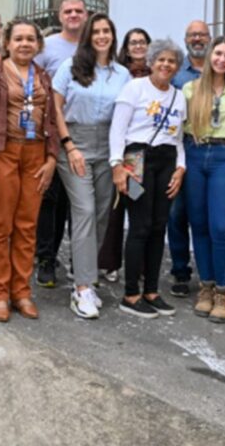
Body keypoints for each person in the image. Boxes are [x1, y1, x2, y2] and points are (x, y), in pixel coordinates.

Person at [0, 18, 59, 322]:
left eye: (30, 39)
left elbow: (53, 120)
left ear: (38, 45)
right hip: (2, 152)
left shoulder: (44, 77)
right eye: (18, 39)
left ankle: (21, 292)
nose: (24, 44)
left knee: (27, 226)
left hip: (35, 154)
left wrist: (51, 159)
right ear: (6, 43)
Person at [53, 14, 130, 318]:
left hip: (108, 146)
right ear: (88, 36)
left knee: (100, 214)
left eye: (106, 31)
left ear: (113, 35)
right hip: (76, 144)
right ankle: (83, 288)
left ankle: (83, 272)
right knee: (83, 210)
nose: (101, 36)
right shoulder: (70, 67)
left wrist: (119, 158)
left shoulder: (122, 74)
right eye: (96, 31)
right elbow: (55, 107)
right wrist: (68, 145)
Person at [109, 38, 187, 319]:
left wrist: (180, 169)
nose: (166, 65)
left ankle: (152, 291)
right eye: (161, 60)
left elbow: (177, 139)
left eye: (172, 61)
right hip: (136, 160)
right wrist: (117, 165)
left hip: (166, 161)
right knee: (139, 225)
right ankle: (131, 294)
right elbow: (118, 130)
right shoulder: (134, 89)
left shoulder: (179, 97)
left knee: (158, 226)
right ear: (151, 62)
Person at [183, 36, 225, 323]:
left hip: (224, 156)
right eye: (218, 53)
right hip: (195, 152)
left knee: (220, 226)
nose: (222, 59)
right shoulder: (190, 89)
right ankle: (206, 286)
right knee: (198, 224)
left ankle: (223, 291)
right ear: (209, 57)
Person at [33, 0, 88, 288]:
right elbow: (33, 78)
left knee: (73, 200)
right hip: (52, 130)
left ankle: (77, 261)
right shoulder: (48, 46)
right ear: (59, 15)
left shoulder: (93, 46)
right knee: (49, 197)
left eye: (78, 10)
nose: (73, 15)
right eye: (68, 10)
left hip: (84, 131)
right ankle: (45, 257)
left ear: (87, 14)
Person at [98, 26, 151, 283]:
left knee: (139, 205)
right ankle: (110, 263)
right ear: (126, 48)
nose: (138, 46)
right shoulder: (118, 74)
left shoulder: (157, 73)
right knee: (117, 206)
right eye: (133, 43)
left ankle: (140, 263)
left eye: (142, 42)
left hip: (143, 151)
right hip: (122, 149)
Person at [167, 20, 210, 297]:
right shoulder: (176, 75)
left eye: (202, 34)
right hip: (180, 151)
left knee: (204, 216)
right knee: (176, 214)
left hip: (212, 153)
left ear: (210, 38)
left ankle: (210, 274)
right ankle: (181, 271)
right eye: (192, 35)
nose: (197, 39)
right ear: (186, 40)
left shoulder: (221, 70)